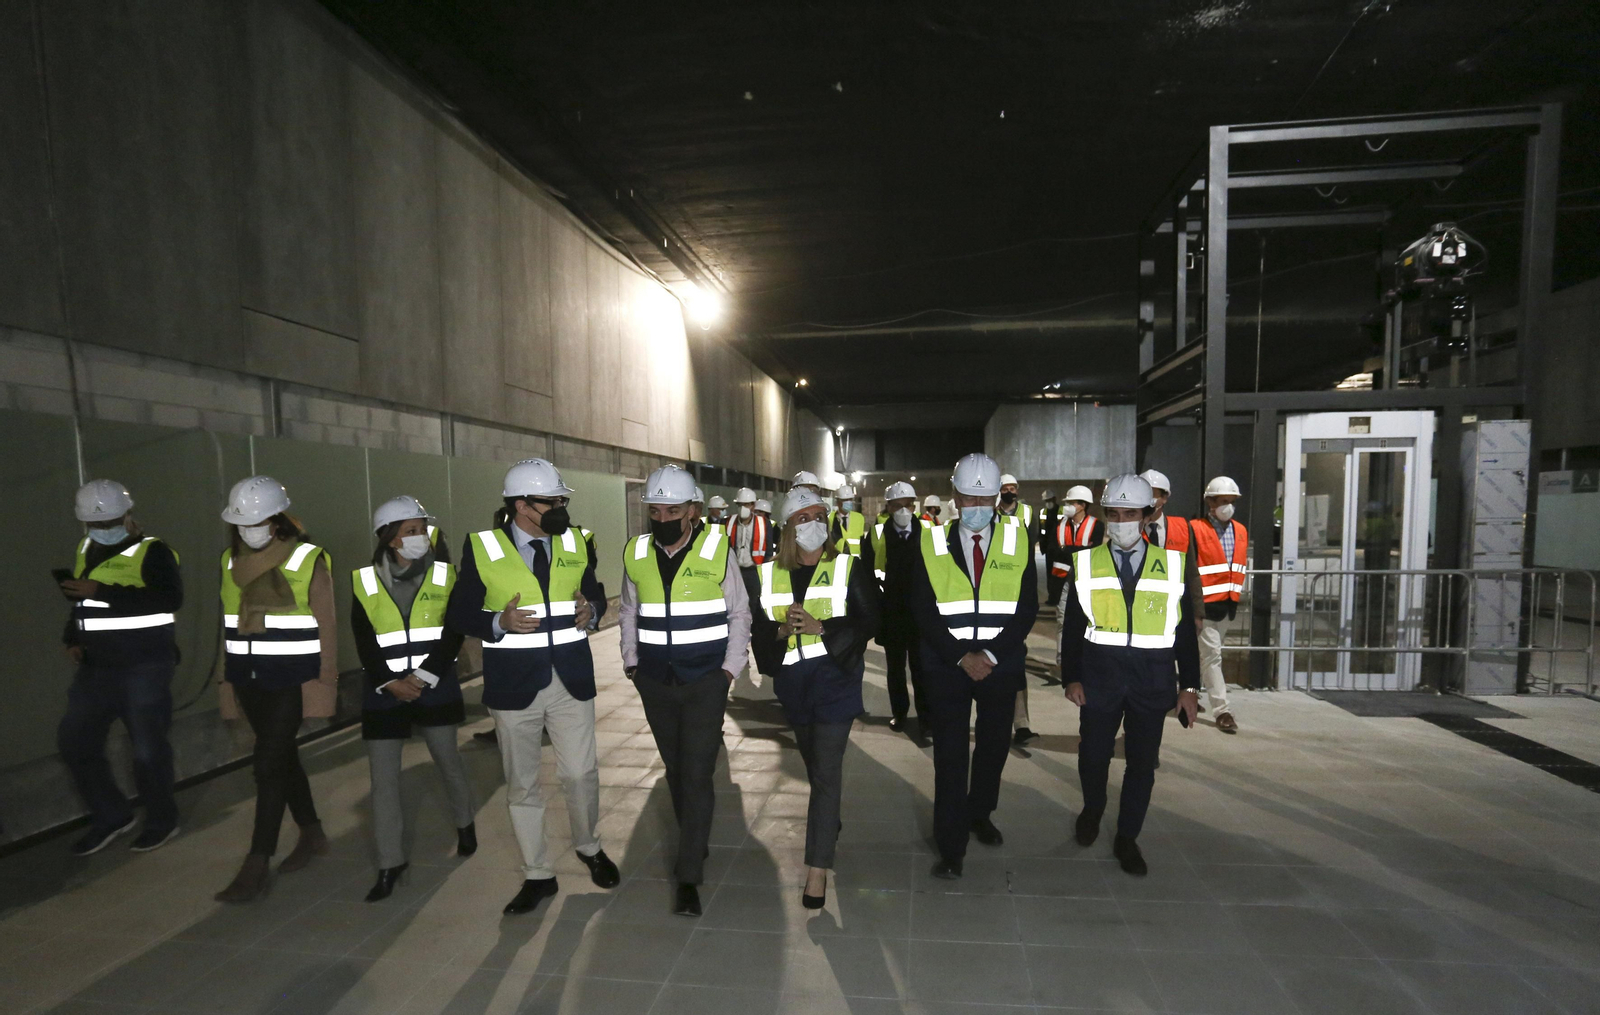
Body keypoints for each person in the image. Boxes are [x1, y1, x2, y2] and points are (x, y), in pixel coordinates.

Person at [447, 459, 619, 916]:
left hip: (570, 678)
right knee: (523, 784)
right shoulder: (482, 547)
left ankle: (589, 845)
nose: (561, 509)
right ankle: (538, 874)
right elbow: (460, 613)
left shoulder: (577, 541)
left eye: (564, 501)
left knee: (581, 773)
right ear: (522, 505)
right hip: (513, 683)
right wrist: (497, 623)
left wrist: (593, 611)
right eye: (552, 502)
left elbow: (592, 591)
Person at [619, 464, 753, 916]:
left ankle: (689, 873)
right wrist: (632, 663)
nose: (663, 519)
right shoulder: (636, 552)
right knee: (677, 770)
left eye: (673, 510)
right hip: (655, 682)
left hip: (704, 682)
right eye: (655, 511)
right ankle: (695, 840)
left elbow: (739, 613)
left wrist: (729, 672)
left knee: (696, 772)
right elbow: (628, 611)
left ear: (693, 511)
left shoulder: (718, 548)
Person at [1061, 474, 1200, 876]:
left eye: (1129, 513)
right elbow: (1072, 627)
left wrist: (1189, 686)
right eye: (1114, 513)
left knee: (1142, 764)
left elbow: (1183, 634)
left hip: (1151, 681)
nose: (1121, 521)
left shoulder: (1172, 564)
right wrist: (1071, 676)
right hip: (1099, 678)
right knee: (1092, 756)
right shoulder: (1085, 562)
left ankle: (1127, 837)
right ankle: (1092, 809)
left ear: (1147, 515)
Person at [747, 488, 879, 909]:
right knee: (816, 767)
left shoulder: (848, 566)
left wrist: (824, 629)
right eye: (803, 517)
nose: (813, 523)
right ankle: (829, 821)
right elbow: (758, 635)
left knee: (825, 773)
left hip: (835, 682)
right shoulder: (767, 574)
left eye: (819, 515)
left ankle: (816, 870)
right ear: (788, 527)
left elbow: (870, 620)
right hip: (793, 686)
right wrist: (782, 632)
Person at [909, 453, 1036, 879]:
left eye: (985, 498)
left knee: (994, 748)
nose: (976, 507)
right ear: (953, 498)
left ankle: (979, 813)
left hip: (1000, 666)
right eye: (967, 498)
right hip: (948, 666)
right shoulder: (928, 541)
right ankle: (951, 846)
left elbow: (1027, 608)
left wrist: (991, 656)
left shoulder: (1019, 538)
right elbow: (923, 609)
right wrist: (962, 656)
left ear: (998, 496)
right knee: (949, 754)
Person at [213, 476, 338, 902]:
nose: (249, 528)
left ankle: (256, 862)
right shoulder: (228, 562)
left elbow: (327, 630)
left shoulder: (307, 559)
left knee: (266, 764)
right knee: (282, 758)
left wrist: (324, 689)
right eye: (242, 521)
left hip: (292, 680)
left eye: (258, 520)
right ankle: (313, 834)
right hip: (248, 678)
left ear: (278, 519)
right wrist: (226, 687)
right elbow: (226, 629)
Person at [350, 496, 476, 902]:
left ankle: (465, 824)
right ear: (390, 539)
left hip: (433, 684)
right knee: (383, 782)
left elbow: (453, 631)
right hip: (384, 692)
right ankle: (390, 863)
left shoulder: (444, 575)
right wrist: (389, 681)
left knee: (447, 760)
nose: (420, 537)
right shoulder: (365, 581)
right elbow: (364, 639)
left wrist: (422, 677)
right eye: (411, 531)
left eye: (422, 529)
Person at [57, 480, 183, 856]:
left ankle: (162, 820)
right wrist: (73, 637)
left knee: (147, 751)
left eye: (109, 520)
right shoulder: (86, 547)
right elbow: (82, 602)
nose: (102, 528)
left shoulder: (153, 551)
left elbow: (169, 598)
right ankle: (112, 815)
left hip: (144, 664)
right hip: (96, 668)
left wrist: (102, 592)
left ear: (127, 515)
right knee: (75, 742)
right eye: (94, 524)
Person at [867, 481, 929, 740]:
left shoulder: (928, 531)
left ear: (914, 506)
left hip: (920, 614)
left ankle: (926, 719)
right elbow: (869, 574)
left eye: (908, 505)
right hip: (891, 612)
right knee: (895, 670)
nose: (903, 510)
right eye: (898, 506)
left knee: (922, 669)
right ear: (888, 507)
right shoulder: (877, 532)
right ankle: (900, 714)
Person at [1193, 476, 1246, 735]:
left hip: (1227, 606)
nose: (1228, 506)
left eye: (1231, 501)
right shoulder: (1195, 529)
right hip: (1202, 607)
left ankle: (1188, 694)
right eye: (1223, 501)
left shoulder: (1241, 530)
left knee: (1204, 655)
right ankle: (1222, 710)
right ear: (1210, 502)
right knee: (1212, 656)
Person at [1046, 485, 1100, 605]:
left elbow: (1094, 551)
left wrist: (1064, 549)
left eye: (1071, 503)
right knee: (1062, 615)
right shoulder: (1059, 525)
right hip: (1060, 579)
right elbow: (1053, 551)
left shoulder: (1096, 525)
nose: (1067, 507)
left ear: (1083, 506)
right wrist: (1081, 550)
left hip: (1085, 578)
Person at [727, 487, 772, 570]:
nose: (742, 508)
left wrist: (765, 570)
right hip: (734, 570)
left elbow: (769, 552)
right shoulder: (729, 522)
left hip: (755, 569)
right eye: (740, 504)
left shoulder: (764, 523)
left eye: (746, 504)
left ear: (753, 506)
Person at [831, 483, 865, 555]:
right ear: (837, 502)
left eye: (850, 499)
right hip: (837, 558)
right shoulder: (830, 519)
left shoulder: (859, 518)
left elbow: (862, 541)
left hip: (855, 559)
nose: (848, 502)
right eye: (845, 500)